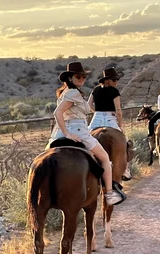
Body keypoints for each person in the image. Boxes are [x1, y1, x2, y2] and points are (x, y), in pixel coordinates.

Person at [48, 62, 125, 206]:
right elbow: (57, 112)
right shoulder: (74, 93)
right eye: (78, 76)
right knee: (105, 159)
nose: (82, 79)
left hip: (58, 133)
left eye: (83, 76)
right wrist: (68, 134)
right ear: (70, 78)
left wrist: (63, 131)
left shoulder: (65, 92)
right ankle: (109, 194)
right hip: (77, 131)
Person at [88, 67, 131, 180]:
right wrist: (120, 125)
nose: (116, 82)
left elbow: (88, 105)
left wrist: (96, 112)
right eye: (114, 80)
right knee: (125, 141)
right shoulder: (114, 91)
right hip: (110, 118)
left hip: (96, 118)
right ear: (107, 80)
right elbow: (118, 111)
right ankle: (125, 169)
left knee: (85, 140)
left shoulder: (96, 90)